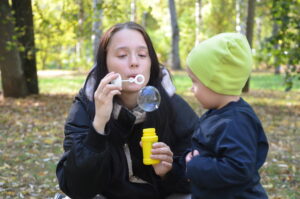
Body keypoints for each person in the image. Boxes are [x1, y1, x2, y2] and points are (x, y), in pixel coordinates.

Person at [56, 22, 198, 199]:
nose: (134, 62)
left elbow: (202, 172)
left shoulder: (172, 105)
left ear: (150, 62)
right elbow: (76, 188)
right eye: (122, 55)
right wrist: (99, 123)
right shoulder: (86, 107)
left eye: (142, 54)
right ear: (104, 63)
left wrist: (169, 171)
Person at [184, 33, 269, 199]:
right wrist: (178, 164)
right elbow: (205, 153)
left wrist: (195, 166)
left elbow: (238, 168)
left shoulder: (235, 122)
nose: (191, 89)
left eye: (195, 81)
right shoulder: (218, 115)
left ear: (216, 82)